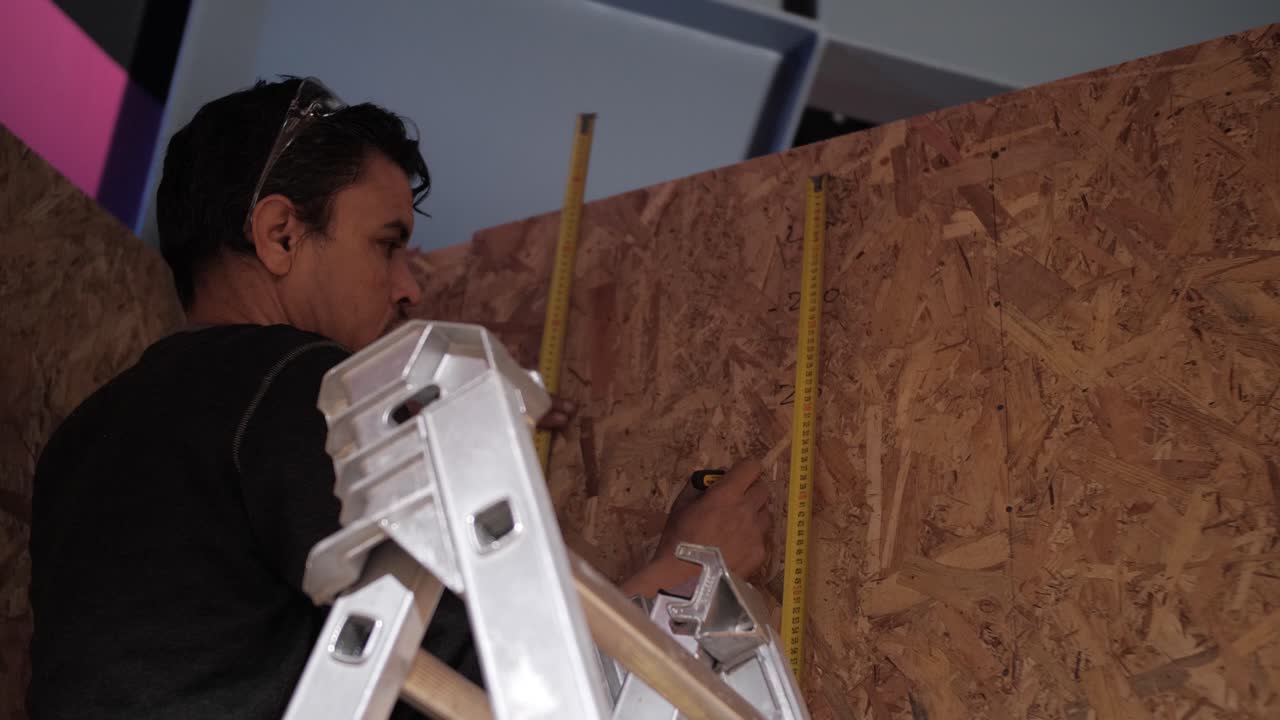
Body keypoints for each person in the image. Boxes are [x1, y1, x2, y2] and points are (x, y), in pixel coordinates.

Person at [28, 77, 770, 719]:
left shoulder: (81, 441)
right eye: (386, 244)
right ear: (281, 236)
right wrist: (689, 571)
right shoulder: (304, 383)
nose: (409, 287)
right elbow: (498, 679)